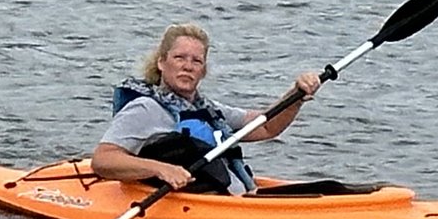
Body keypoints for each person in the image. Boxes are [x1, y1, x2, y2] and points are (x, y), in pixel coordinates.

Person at [90, 23, 320, 195]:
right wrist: (161, 169)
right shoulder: (145, 109)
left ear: (203, 70)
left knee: (331, 187)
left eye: (196, 61)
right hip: (202, 206)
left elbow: (267, 126)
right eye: (180, 57)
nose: (188, 66)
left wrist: (296, 95)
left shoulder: (208, 110)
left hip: (237, 199)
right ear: (162, 62)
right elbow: (103, 160)